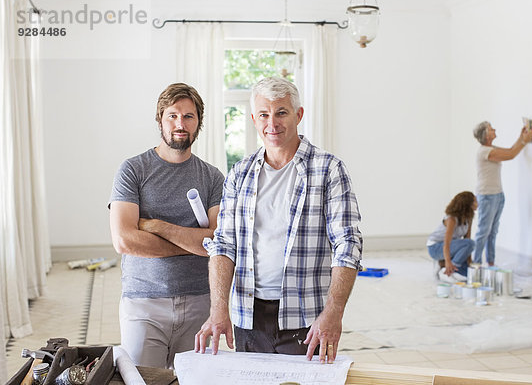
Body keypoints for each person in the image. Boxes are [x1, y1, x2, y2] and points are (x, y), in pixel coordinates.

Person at [194, 77, 362, 364]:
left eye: (281, 112)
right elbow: (224, 244)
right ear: (254, 119)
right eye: (264, 114)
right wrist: (218, 309)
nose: (272, 123)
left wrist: (334, 312)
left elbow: (347, 244)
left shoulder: (328, 169)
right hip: (249, 315)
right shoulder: (240, 172)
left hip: (307, 316)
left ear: (298, 115)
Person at [108, 83, 225, 369]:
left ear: (199, 122)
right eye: (172, 115)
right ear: (160, 119)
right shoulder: (133, 170)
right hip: (143, 303)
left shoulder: (212, 177)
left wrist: (156, 226)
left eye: (188, 116)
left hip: (200, 303)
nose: (180, 124)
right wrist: (193, 245)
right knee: (142, 380)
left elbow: (217, 243)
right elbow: (124, 241)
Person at [472, 121, 532, 266]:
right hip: (486, 196)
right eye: (491, 129)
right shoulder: (485, 151)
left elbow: (510, 150)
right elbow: (511, 155)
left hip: (497, 195)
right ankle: (475, 264)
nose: (494, 129)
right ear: (486, 135)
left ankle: (491, 263)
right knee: (483, 232)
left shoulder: (490, 148)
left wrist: (521, 137)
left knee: (493, 232)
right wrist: (526, 140)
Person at [427, 191, 477, 283]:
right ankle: (447, 269)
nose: (477, 203)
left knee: (466, 275)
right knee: (471, 243)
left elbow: (466, 239)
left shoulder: (468, 218)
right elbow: (446, 243)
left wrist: (469, 262)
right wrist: (448, 262)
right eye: (475, 201)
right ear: (467, 204)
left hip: (452, 247)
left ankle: (442, 264)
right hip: (435, 247)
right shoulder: (451, 219)